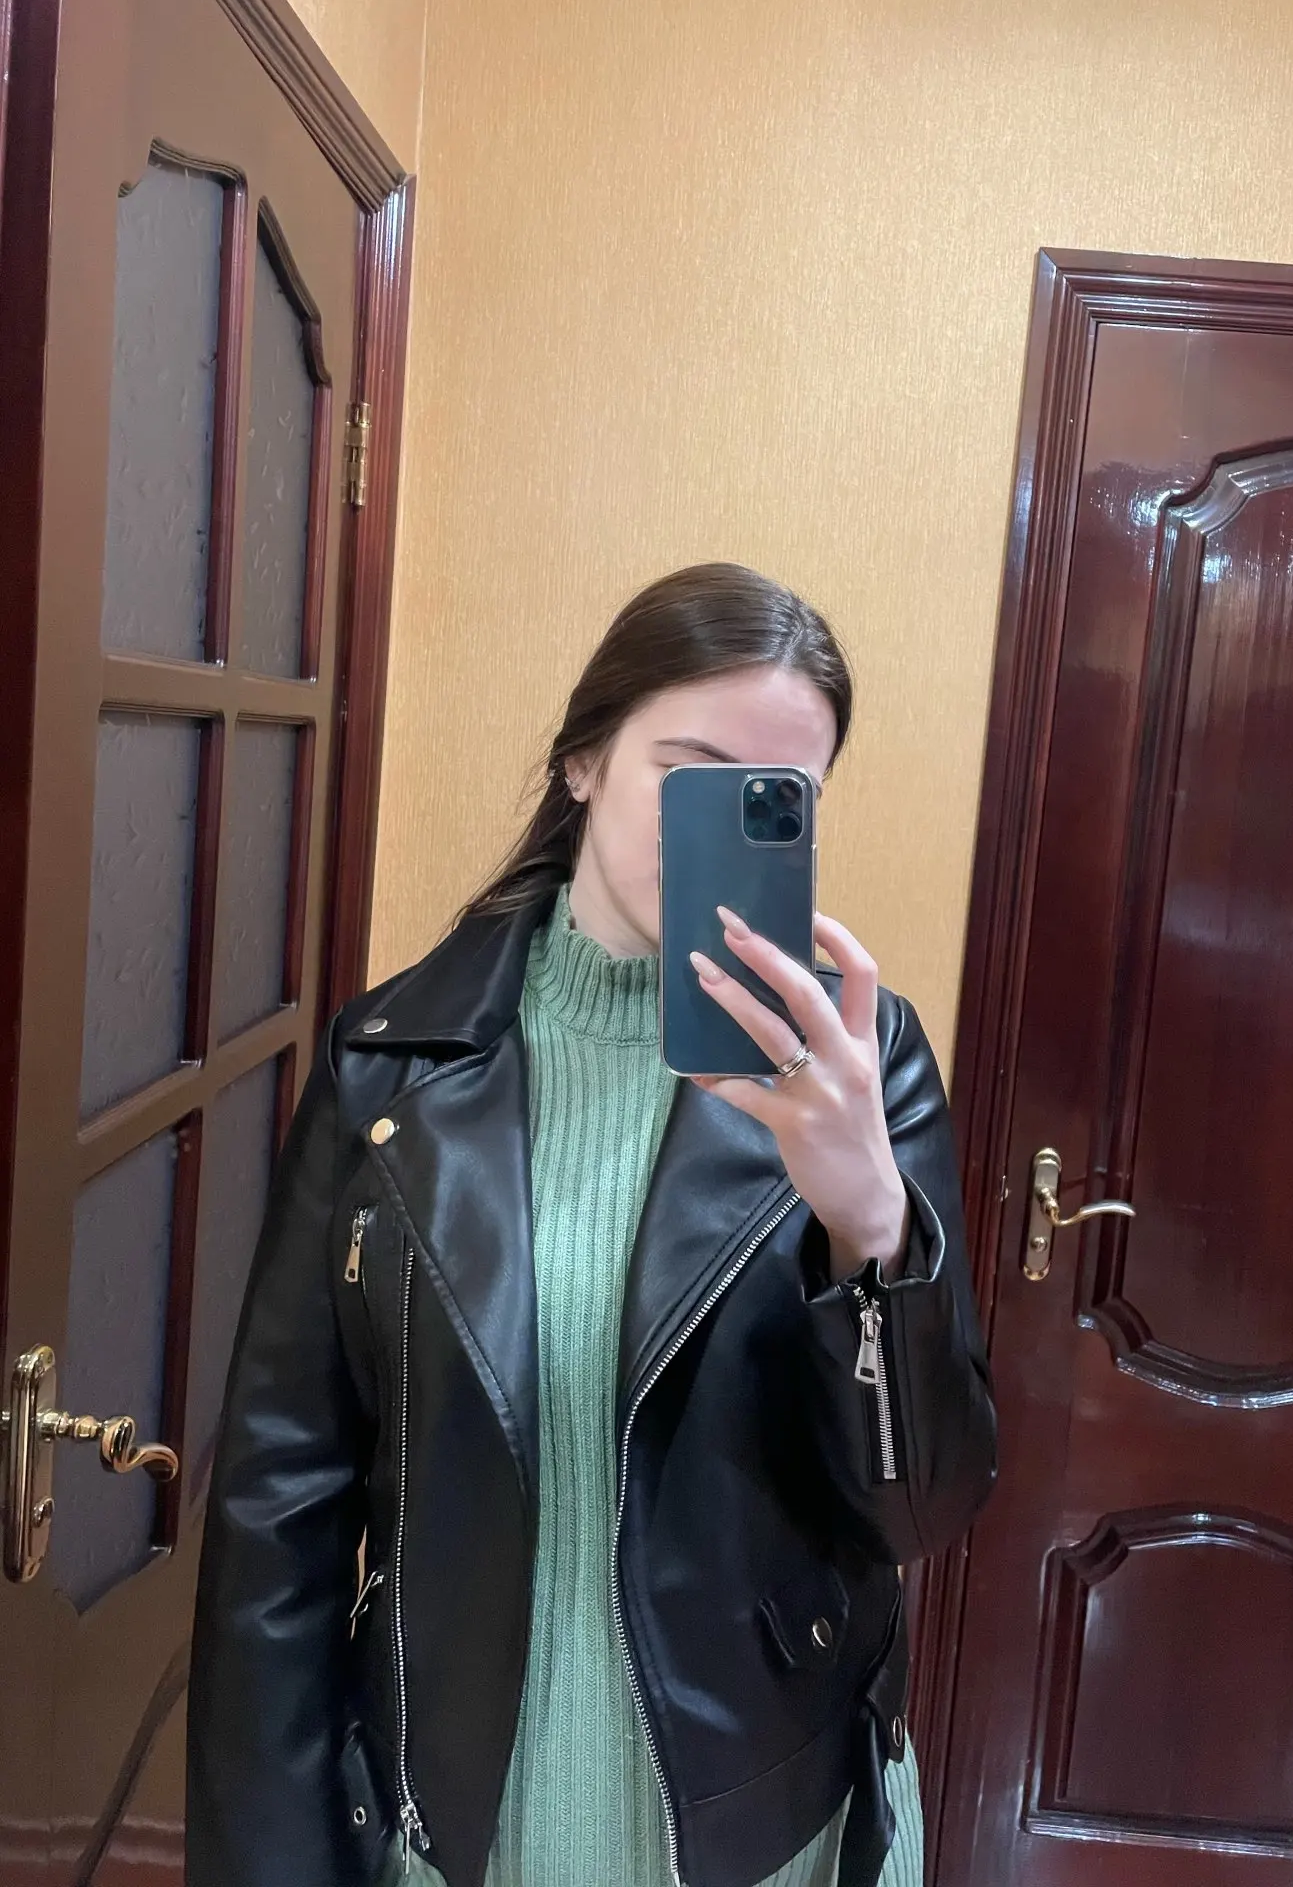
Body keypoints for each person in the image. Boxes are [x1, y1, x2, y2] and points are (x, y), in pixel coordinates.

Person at [186, 561, 997, 1887]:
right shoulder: (391, 1067)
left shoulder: (864, 1068)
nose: (717, 825)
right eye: (689, 770)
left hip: (762, 1828)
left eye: (773, 797)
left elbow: (924, 1508)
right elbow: (281, 1506)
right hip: (459, 1822)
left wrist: (870, 1225)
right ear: (583, 762)